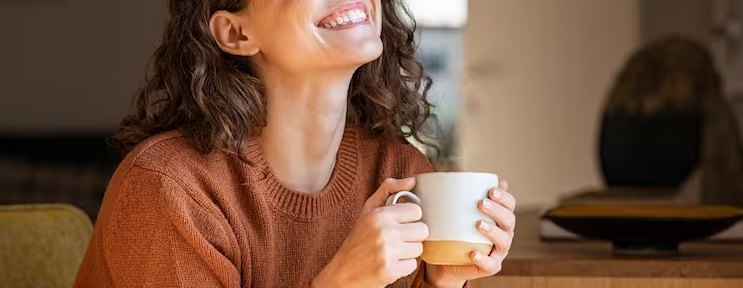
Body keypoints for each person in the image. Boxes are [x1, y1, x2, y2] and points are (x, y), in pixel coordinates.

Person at [74, 0, 517, 287]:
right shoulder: (171, 192)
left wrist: (446, 281)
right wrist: (342, 282)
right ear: (236, 34)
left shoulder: (399, 170)